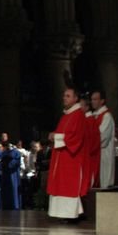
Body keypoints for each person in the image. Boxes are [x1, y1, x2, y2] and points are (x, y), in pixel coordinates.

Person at [47, 86, 91, 220]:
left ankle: (70, 214)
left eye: (68, 96)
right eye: (64, 95)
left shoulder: (78, 115)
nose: (64, 98)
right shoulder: (66, 115)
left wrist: (56, 137)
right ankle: (61, 214)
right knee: (60, 184)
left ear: (75, 98)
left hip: (71, 158)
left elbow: (76, 137)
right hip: (62, 156)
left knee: (69, 185)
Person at [88, 89, 116, 189]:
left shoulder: (106, 116)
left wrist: (88, 143)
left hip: (103, 155)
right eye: (91, 99)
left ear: (102, 101)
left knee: (103, 183)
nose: (92, 102)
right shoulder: (94, 116)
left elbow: (102, 138)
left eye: (95, 99)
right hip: (94, 154)